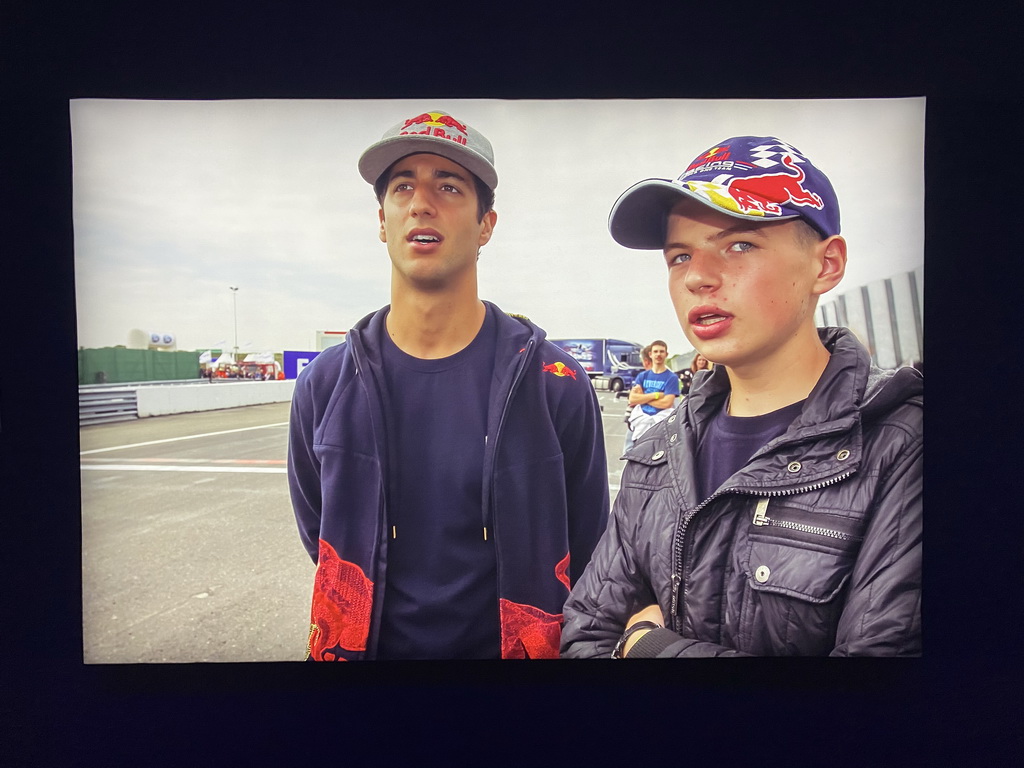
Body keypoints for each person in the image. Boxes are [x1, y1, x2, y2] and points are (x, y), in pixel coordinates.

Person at [561, 135, 922, 657]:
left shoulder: (899, 445)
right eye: (680, 255)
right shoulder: (657, 456)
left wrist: (647, 648)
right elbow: (584, 634)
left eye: (740, 245)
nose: (698, 278)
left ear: (826, 265)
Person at [288, 109, 609, 661]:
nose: (421, 202)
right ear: (383, 222)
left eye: (449, 185)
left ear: (486, 225)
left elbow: (587, 545)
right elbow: (320, 533)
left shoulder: (554, 382)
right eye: (402, 185)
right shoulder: (324, 382)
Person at [623, 339, 679, 451]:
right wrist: (657, 395)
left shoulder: (671, 378)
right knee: (630, 452)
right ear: (650, 354)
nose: (658, 354)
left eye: (661, 351)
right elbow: (633, 399)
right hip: (640, 422)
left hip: (660, 425)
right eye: (656, 351)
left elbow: (667, 403)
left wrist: (643, 397)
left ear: (666, 354)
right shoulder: (642, 376)